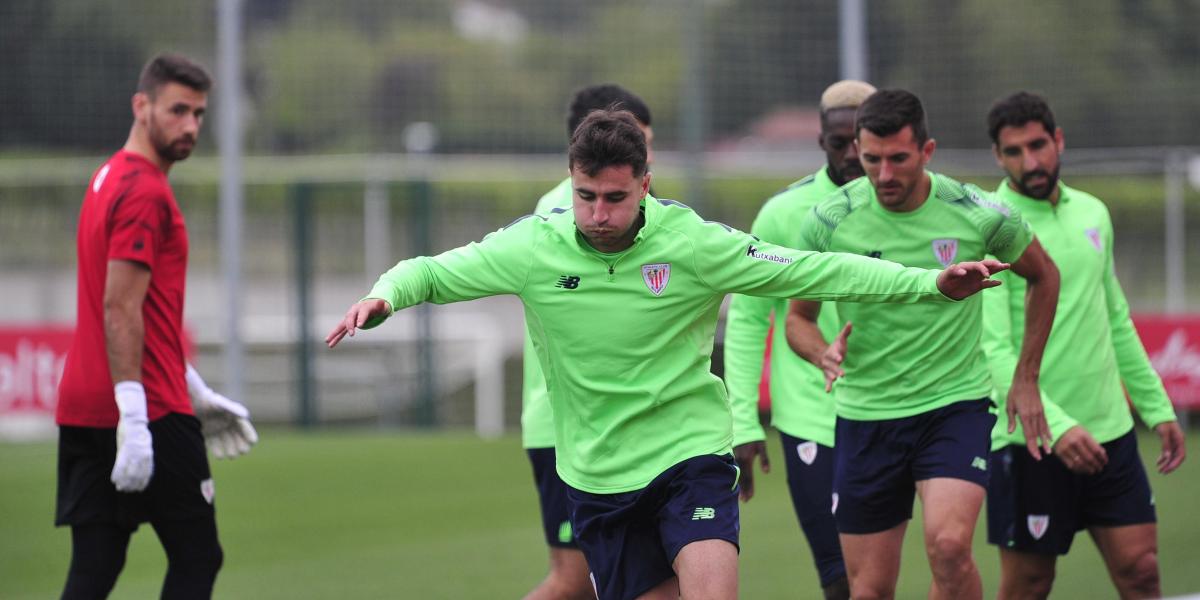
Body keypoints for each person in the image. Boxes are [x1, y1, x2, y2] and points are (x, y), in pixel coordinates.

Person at [327, 109, 1008, 600]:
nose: (599, 214)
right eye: (586, 196)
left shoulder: (692, 244)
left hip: (689, 459)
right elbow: (436, 270)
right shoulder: (534, 246)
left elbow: (817, 271)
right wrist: (384, 296)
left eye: (616, 198)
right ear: (571, 182)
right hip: (596, 476)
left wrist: (930, 283)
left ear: (645, 183)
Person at [785, 89, 1060, 600]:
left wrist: (1026, 378)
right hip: (866, 414)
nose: (884, 175)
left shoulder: (979, 212)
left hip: (953, 406)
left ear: (927, 151)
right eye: (871, 159)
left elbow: (1045, 276)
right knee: (867, 590)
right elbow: (797, 321)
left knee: (951, 548)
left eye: (898, 159)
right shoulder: (827, 221)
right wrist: (820, 350)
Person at [55, 54, 257, 600]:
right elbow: (119, 309)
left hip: (86, 403)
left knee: (95, 565)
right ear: (141, 107)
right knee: (198, 556)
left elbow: (141, 312)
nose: (190, 125)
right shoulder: (146, 192)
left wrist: (196, 388)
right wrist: (137, 419)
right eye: (177, 111)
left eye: (198, 114)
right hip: (146, 408)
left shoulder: (106, 176)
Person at [981, 91, 1186, 600]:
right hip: (1031, 439)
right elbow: (991, 350)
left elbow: (1115, 318)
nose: (1030, 162)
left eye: (1038, 145)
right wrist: (1058, 424)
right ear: (998, 157)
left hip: (1110, 432)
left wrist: (1157, 407)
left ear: (1058, 140)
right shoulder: (988, 226)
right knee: (1029, 584)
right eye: (1014, 152)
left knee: (1142, 571)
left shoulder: (1093, 213)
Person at [722, 79, 876, 600]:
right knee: (841, 579)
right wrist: (743, 420)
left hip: (896, 413)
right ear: (821, 142)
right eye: (841, 143)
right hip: (813, 417)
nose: (854, 155)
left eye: (865, 141)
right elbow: (747, 320)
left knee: (890, 574)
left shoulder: (909, 204)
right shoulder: (785, 214)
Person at [521, 84, 653, 600]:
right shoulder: (572, 210)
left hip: (613, 423)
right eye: (639, 141)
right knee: (574, 582)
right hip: (569, 424)